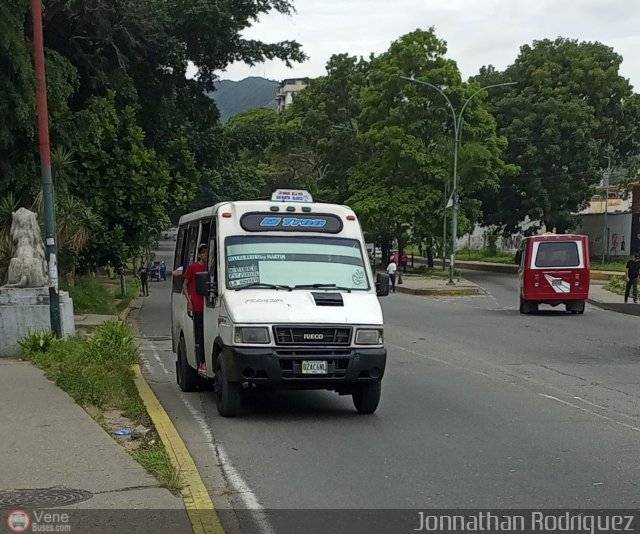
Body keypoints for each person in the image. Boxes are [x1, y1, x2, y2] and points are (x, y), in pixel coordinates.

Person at [183, 244, 208, 374]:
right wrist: (189, 301)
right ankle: (201, 362)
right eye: (203, 253)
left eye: (207, 252)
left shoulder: (211, 268)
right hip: (197, 307)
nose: (205, 255)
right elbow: (185, 285)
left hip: (209, 307)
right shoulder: (193, 268)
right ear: (199, 254)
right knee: (200, 336)